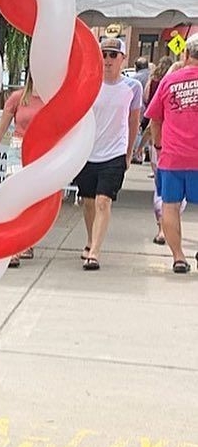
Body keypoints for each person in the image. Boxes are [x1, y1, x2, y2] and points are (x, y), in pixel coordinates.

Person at [72, 36, 141, 270]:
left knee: (104, 201)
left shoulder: (133, 87)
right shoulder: (89, 82)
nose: (108, 59)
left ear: (123, 59)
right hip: (88, 151)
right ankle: (91, 240)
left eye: (113, 55)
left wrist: (129, 152)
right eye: (104, 54)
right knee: (89, 202)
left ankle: (95, 252)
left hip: (114, 153)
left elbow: (134, 121)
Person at [146, 35, 198, 273]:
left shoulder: (169, 82)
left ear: (186, 55)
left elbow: (155, 118)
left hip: (173, 157)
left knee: (170, 206)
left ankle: (178, 257)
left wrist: (158, 147)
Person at [0, 73, 45, 265]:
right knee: (15, 198)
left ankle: (26, 242)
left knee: (30, 200)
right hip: (18, 147)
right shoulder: (18, 98)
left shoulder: (50, 98)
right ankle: (13, 247)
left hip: (39, 150)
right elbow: (2, 127)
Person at [147, 55, 183, 244]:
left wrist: (156, 145)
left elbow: (153, 117)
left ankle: (164, 231)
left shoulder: (161, 84)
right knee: (176, 201)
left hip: (166, 149)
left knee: (165, 196)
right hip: (180, 150)